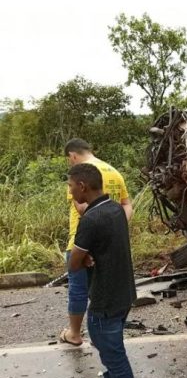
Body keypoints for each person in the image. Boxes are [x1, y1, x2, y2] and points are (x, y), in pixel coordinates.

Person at [68, 163, 140, 378]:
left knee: (111, 351)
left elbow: (73, 263)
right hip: (123, 292)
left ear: (83, 186)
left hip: (105, 296)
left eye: (71, 185)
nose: (70, 190)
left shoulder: (91, 219)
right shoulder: (115, 210)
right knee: (108, 345)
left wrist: (84, 257)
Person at [60, 138, 133, 346]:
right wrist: (116, 226)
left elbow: (82, 209)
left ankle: (74, 333)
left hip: (82, 240)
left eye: (69, 161)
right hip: (110, 244)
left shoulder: (80, 176)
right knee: (103, 288)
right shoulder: (113, 172)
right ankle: (104, 333)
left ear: (73, 156)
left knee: (78, 288)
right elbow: (127, 205)